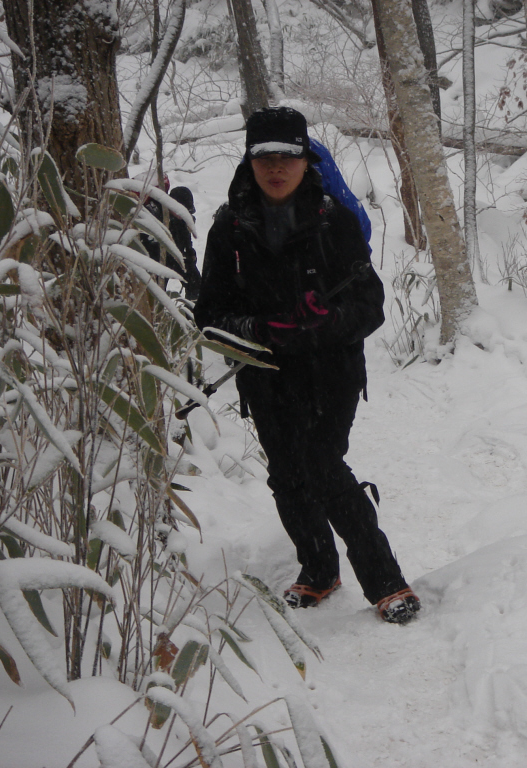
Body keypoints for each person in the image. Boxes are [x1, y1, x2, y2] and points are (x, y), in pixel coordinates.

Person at [193, 106, 421, 625]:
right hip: (266, 374)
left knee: (322, 466)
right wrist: (258, 329)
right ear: (250, 160)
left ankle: (386, 580)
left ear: (304, 158)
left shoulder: (332, 220)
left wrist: (323, 322)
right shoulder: (229, 228)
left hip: (331, 371)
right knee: (287, 476)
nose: (276, 167)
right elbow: (210, 313)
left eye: (288, 156)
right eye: (265, 156)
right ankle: (319, 569)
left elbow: (370, 306)